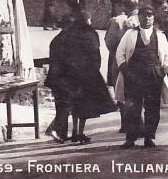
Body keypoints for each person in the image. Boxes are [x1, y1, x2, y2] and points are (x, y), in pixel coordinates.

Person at [115, 6, 168, 149]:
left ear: (153, 18)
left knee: (152, 108)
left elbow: (167, 56)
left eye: (150, 16)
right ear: (139, 17)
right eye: (144, 15)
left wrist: (163, 70)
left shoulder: (160, 36)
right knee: (132, 108)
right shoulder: (130, 34)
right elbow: (120, 53)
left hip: (154, 77)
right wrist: (125, 70)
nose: (147, 18)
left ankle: (149, 137)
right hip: (133, 77)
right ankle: (130, 139)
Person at [61, 8, 117, 143]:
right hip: (87, 74)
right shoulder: (92, 34)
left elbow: (65, 53)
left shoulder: (69, 34)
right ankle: (80, 132)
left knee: (74, 104)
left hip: (71, 74)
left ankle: (73, 131)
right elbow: (95, 54)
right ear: (87, 20)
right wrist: (94, 70)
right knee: (84, 105)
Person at [104, 0, 139, 132]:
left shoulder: (116, 21)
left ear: (121, 4)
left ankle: (126, 122)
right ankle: (137, 122)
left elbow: (109, 42)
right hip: (138, 61)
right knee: (136, 92)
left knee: (121, 91)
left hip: (120, 61)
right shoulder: (143, 19)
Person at [44, 13, 76, 142]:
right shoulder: (68, 41)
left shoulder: (56, 39)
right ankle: (54, 128)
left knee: (61, 105)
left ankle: (62, 134)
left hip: (55, 78)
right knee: (66, 105)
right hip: (65, 78)